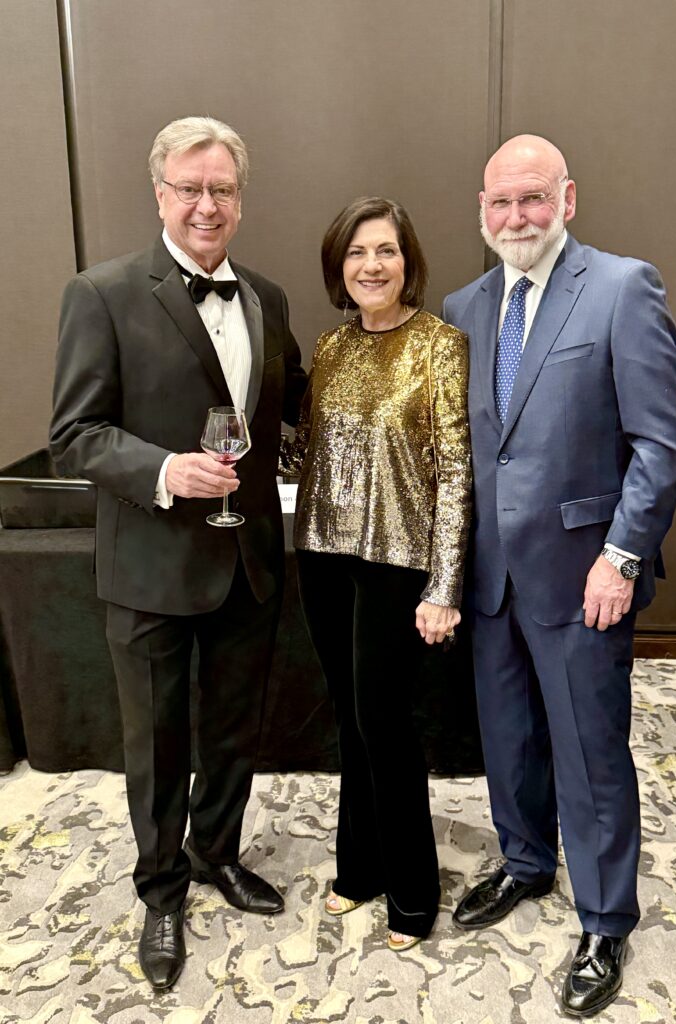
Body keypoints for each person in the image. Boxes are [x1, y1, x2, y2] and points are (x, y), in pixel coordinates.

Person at [49, 116, 307, 991]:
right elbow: (73, 436)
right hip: (151, 563)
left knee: (233, 728)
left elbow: (299, 409)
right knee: (156, 743)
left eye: (222, 189)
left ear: (241, 199)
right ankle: (160, 892)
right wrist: (164, 470)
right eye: (190, 188)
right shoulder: (102, 291)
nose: (207, 204)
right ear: (160, 192)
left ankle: (217, 853)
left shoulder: (267, 298)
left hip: (249, 559)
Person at [442, 136, 676, 1016]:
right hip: (488, 579)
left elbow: (661, 446)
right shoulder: (461, 307)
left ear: (567, 199)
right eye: (500, 203)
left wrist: (619, 558)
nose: (515, 217)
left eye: (531, 199)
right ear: (481, 210)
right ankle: (523, 864)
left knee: (589, 754)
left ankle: (605, 916)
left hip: (585, 575)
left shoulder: (623, 288)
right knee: (506, 737)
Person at [282, 196, 472, 952]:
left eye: (385, 250)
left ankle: (414, 890)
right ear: (339, 266)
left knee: (384, 725)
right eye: (357, 253)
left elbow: (455, 473)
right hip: (325, 556)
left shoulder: (439, 345)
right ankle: (358, 869)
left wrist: (445, 585)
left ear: (407, 260)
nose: (371, 265)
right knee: (349, 719)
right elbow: (311, 455)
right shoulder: (329, 347)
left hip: (399, 563)